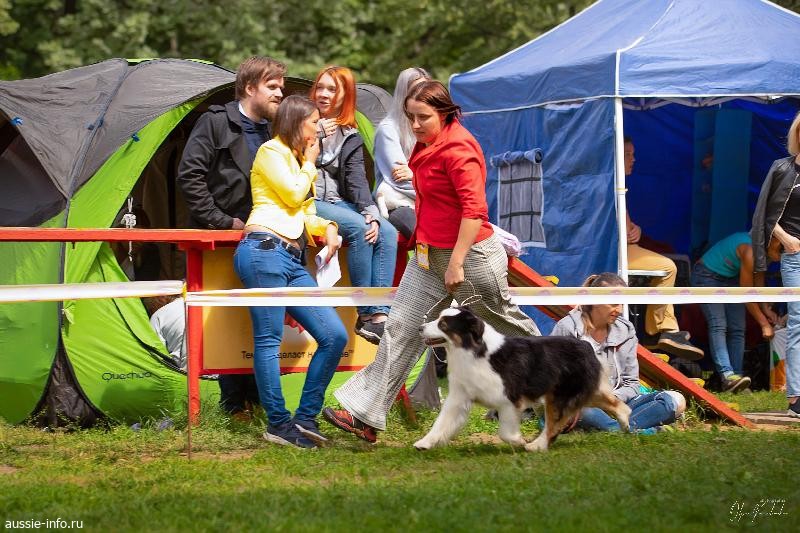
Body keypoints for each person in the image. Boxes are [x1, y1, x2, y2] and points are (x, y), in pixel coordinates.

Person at [322, 80, 541, 443]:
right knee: (400, 327)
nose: (415, 124)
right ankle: (365, 415)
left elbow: (474, 212)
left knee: (509, 326)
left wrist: (456, 262)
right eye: (410, 117)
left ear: (445, 113)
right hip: (428, 256)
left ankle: (563, 392)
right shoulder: (427, 144)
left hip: (470, 257)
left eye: (423, 117)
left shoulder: (460, 149)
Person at [234, 95, 349, 449]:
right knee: (269, 340)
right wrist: (311, 163)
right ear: (297, 122)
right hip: (263, 251)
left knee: (334, 336)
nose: (319, 129)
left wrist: (329, 227)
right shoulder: (271, 151)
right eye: (314, 122)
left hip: (292, 258)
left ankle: (305, 418)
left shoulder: (299, 161)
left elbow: (305, 213)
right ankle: (279, 424)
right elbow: (293, 194)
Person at [177, 56, 286, 419]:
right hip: (219, 238)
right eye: (272, 86)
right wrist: (222, 221)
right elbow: (189, 176)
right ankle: (234, 404)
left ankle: (259, 401)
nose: (280, 93)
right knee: (225, 318)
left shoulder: (276, 131)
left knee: (264, 318)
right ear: (250, 87)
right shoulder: (214, 122)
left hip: (267, 239)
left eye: (281, 87)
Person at [310, 66, 398, 344]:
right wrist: (314, 134)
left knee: (386, 231)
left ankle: (380, 314)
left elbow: (357, 181)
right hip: (308, 201)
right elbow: (290, 161)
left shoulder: (350, 135)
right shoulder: (300, 120)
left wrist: (371, 212)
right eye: (320, 87)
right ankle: (366, 312)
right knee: (360, 229)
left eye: (332, 89)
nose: (324, 94)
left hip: (338, 201)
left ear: (344, 96)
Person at [551, 273, 686, 433]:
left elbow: (632, 383)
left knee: (675, 400)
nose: (619, 310)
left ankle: (615, 428)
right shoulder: (567, 328)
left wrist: (613, 399)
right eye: (614, 303)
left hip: (618, 402)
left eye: (621, 303)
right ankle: (637, 428)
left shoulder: (626, 331)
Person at [624, 138, 704, 360]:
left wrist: (636, 229)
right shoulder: (611, 184)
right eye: (628, 154)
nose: (633, 159)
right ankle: (661, 331)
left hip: (628, 247)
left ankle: (660, 331)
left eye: (633, 154)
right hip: (615, 251)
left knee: (668, 264)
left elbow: (626, 225)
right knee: (668, 267)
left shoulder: (619, 184)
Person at [751, 110, 800, 418]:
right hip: (794, 258)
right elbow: (765, 215)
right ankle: (796, 397)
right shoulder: (782, 168)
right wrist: (786, 239)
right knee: (798, 324)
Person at [691, 232, 778, 393]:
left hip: (731, 278)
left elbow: (758, 282)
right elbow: (746, 294)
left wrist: (766, 308)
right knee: (718, 325)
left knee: (738, 328)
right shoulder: (750, 251)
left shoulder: (765, 252)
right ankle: (727, 376)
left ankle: (737, 380)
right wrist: (764, 324)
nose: (784, 252)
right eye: (781, 247)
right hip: (706, 275)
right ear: (771, 240)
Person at [372, 67, 430, 239]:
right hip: (397, 201)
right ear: (404, 94)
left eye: (425, 89)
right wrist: (429, 183)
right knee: (425, 235)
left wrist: (415, 173)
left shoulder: (431, 126)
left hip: (427, 198)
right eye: (415, 90)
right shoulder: (388, 129)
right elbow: (400, 180)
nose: (421, 95)